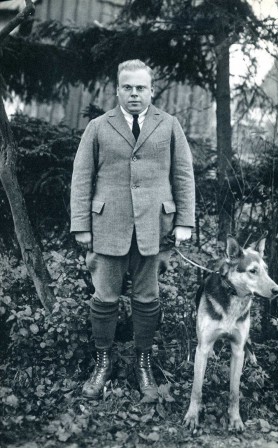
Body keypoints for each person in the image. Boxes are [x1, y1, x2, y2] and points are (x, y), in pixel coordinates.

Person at [70, 59, 195, 399]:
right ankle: (103, 361)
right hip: (107, 225)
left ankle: (143, 362)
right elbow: (82, 176)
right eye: (128, 87)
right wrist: (81, 224)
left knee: (147, 298)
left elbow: (183, 174)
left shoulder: (169, 125)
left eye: (141, 88)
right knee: (104, 298)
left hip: (154, 226)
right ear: (118, 89)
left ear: (151, 90)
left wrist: (184, 220)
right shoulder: (98, 126)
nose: (135, 94)